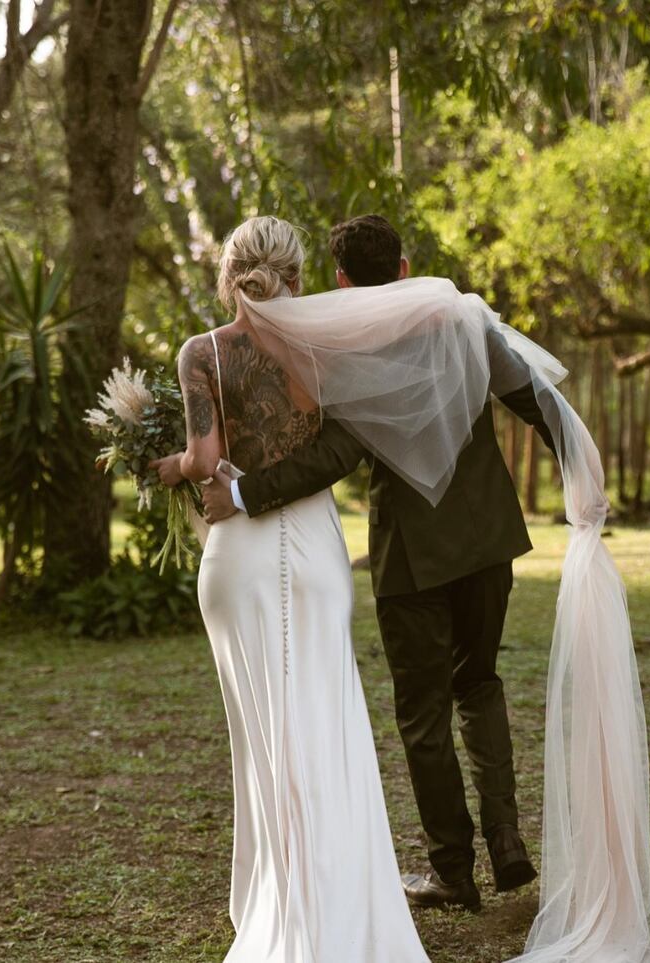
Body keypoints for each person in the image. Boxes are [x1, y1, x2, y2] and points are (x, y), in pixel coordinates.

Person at [202, 214, 557, 911]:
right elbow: (532, 394)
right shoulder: (462, 317)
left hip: (412, 561)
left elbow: (334, 456)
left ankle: (453, 871)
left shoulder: (350, 348)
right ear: (402, 264)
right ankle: (508, 839)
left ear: (339, 279)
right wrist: (578, 465)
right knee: (479, 684)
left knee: (423, 715)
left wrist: (242, 491)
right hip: (488, 541)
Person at [151, 216, 431, 962]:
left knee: (265, 740)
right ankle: (339, 900)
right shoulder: (327, 343)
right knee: (325, 725)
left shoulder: (202, 352)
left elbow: (208, 459)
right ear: (299, 274)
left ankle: (282, 898)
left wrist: (170, 466)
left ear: (229, 272)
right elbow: (342, 444)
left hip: (238, 561)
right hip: (312, 550)